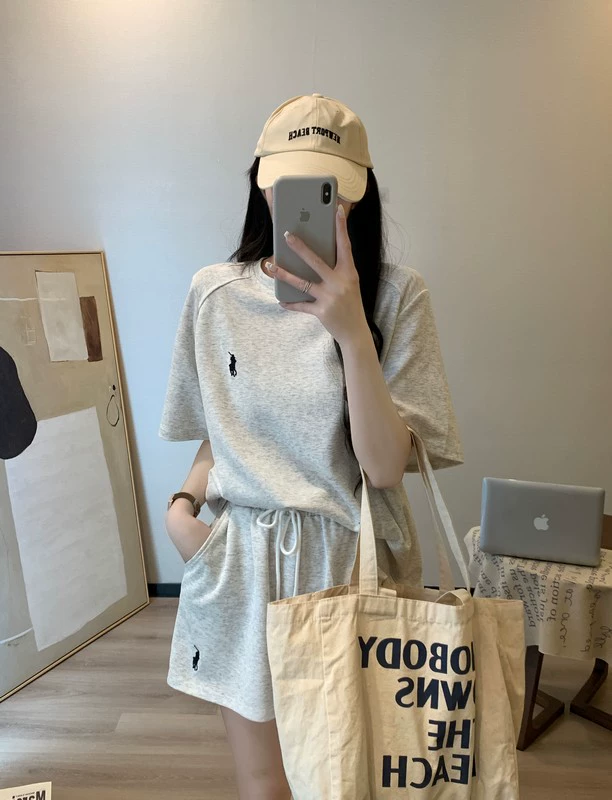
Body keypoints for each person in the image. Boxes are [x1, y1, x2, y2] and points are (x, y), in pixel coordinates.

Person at [159, 93, 463, 800]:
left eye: (332, 190)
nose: (313, 206)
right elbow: (218, 432)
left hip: (353, 562)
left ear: (357, 195)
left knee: (353, 777)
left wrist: (352, 330)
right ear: (262, 184)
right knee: (264, 784)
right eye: (290, 184)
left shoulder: (397, 297)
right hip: (243, 565)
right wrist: (182, 511)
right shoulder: (214, 294)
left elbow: (384, 467)